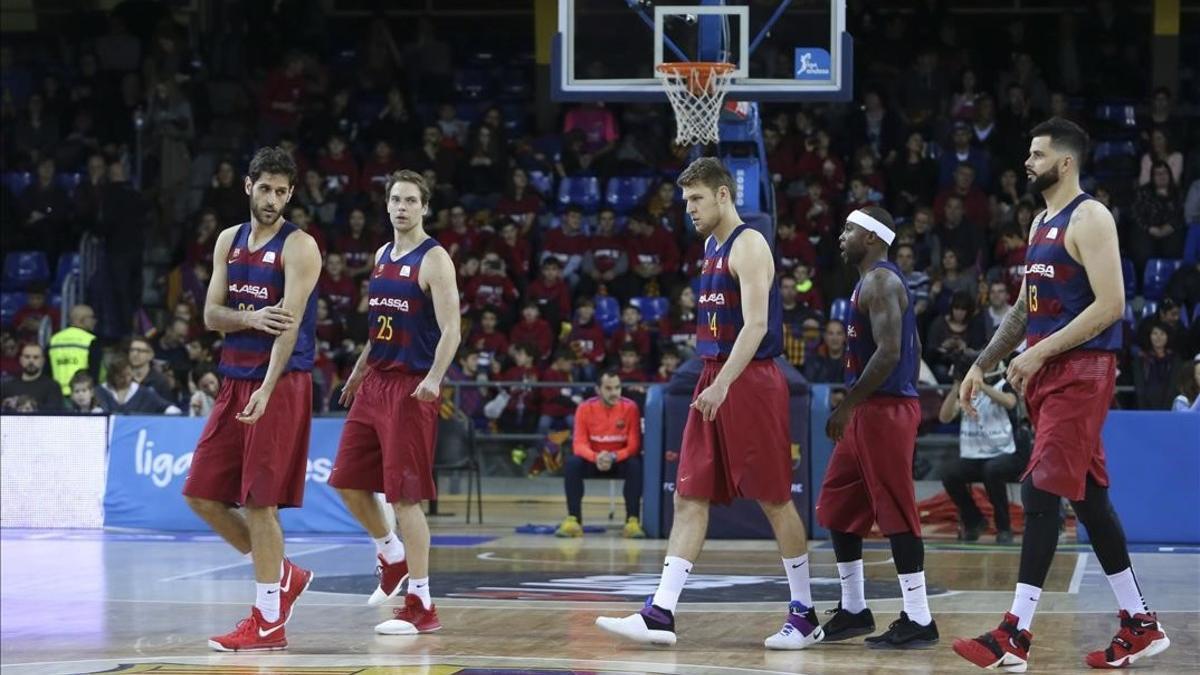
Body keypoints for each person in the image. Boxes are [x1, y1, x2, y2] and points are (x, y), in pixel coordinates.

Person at [953, 118, 1170, 671]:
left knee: (1041, 490)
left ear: (1065, 162)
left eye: (1037, 153)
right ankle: (1140, 623)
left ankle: (1014, 634)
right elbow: (1024, 309)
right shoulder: (1038, 221)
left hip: (1083, 373)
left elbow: (1112, 305)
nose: (1027, 162)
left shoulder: (1091, 216)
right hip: (1051, 373)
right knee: (1091, 501)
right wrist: (984, 362)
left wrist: (1040, 351)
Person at [595, 158, 820, 650]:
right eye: (686, 201)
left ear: (723, 194)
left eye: (696, 199)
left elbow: (757, 325)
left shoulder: (751, 243)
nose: (689, 209)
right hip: (713, 375)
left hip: (751, 379)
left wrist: (722, 384)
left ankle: (804, 613)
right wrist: (711, 381)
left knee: (775, 498)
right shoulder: (710, 247)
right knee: (688, 494)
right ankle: (660, 612)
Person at [181, 147, 322, 653]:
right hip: (232, 378)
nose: (273, 199)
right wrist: (248, 318)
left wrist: (266, 386)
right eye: (265, 188)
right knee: (200, 495)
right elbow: (212, 316)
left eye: (282, 191)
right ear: (248, 186)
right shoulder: (227, 240)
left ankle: (268, 621)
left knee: (261, 503)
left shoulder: (300, 246)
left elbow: (287, 327)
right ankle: (282, 577)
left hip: (278, 384)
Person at [328, 170, 461, 637]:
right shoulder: (383, 256)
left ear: (425, 207)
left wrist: (434, 378)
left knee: (405, 499)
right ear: (386, 206)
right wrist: (358, 371)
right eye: (395, 199)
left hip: (410, 388)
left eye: (411, 200)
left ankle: (422, 604)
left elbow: (452, 330)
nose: (402, 207)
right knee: (345, 481)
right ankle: (391, 553)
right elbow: (377, 327)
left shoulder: (435, 259)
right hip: (374, 383)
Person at [815, 206, 939, 649]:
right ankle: (853, 609)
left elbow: (889, 352)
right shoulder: (868, 281)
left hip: (882, 410)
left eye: (849, 229)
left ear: (871, 236)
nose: (841, 236)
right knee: (837, 505)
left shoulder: (882, 280)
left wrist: (847, 407)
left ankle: (919, 617)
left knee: (897, 511)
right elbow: (914, 341)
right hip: (870, 409)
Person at [938, 360, 1026, 544]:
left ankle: (1004, 528)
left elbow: (1010, 403)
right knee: (949, 473)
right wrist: (956, 386)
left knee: (992, 471)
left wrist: (982, 385)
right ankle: (974, 520)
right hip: (975, 455)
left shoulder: (1003, 385)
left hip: (1003, 452)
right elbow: (945, 417)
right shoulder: (965, 392)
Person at [555, 370, 644, 539]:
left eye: (617, 388)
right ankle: (574, 520)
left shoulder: (631, 408)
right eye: (608, 388)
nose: (614, 393)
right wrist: (597, 457)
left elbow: (633, 446)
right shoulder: (584, 408)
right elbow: (579, 445)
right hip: (593, 460)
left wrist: (613, 457)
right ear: (598, 390)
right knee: (573, 463)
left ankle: (632, 521)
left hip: (619, 460)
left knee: (635, 464)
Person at [95, 356, 182, 414]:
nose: (126, 379)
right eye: (121, 376)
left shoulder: (144, 393)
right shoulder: (100, 391)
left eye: (128, 374)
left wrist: (172, 412)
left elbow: (166, 406)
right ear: (112, 375)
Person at [48, 304, 99, 395]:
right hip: (81, 394)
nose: (94, 321)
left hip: (55, 394)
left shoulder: (54, 340)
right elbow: (94, 373)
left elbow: (47, 371)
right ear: (82, 319)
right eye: (92, 318)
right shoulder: (90, 340)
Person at [0, 343, 64, 411]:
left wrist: (30, 405)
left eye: (36, 357)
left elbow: (55, 413)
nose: (31, 361)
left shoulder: (53, 386)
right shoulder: (7, 386)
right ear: (21, 360)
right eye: (27, 357)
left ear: (43, 361)